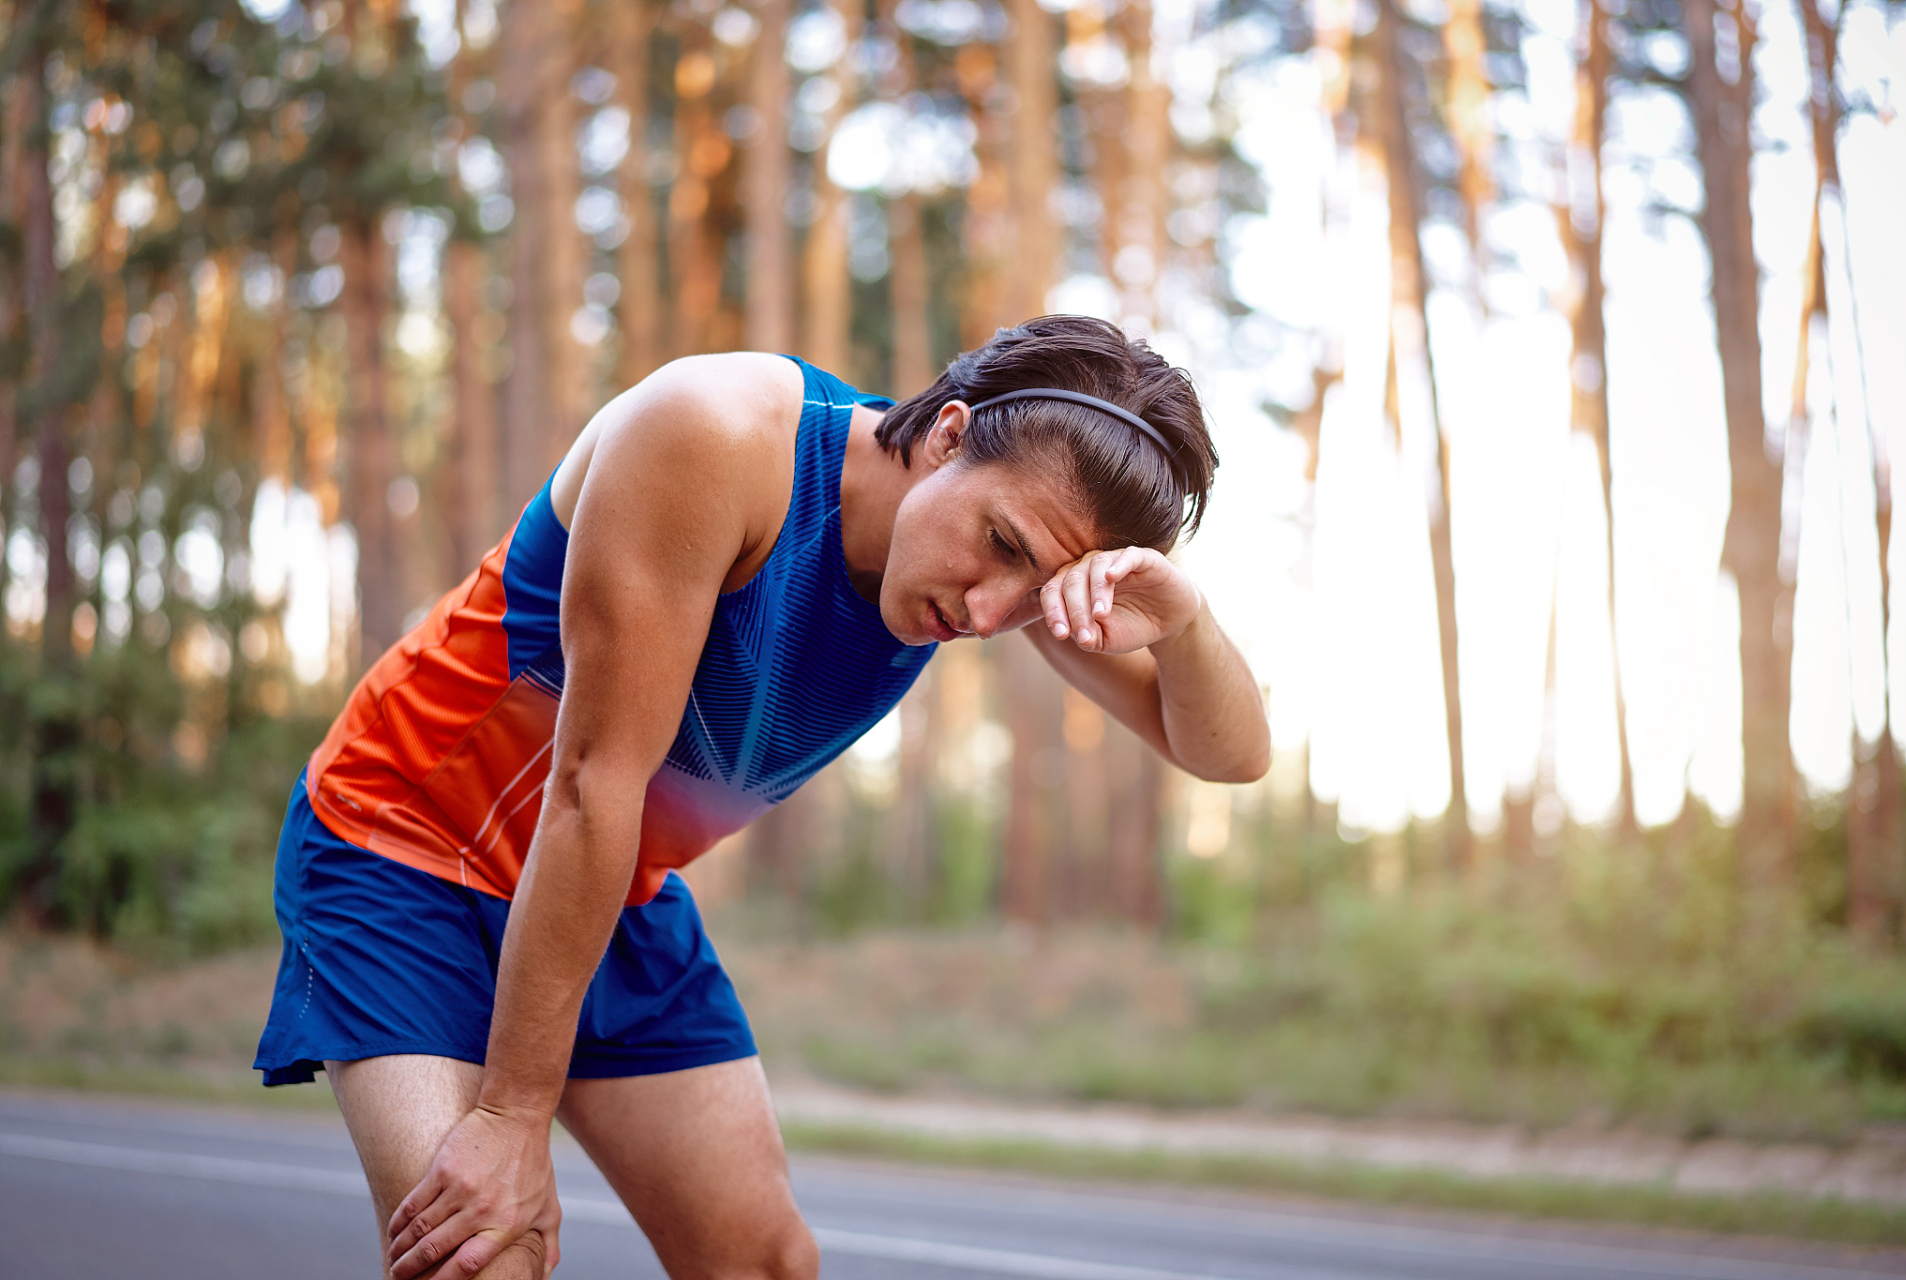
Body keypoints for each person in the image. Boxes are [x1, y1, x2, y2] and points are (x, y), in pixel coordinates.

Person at [253, 315, 1270, 1279]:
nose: (991, 611)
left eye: (1038, 587)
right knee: (482, 1251)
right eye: (1002, 547)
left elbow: (1228, 754)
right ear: (949, 434)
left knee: (764, 1261)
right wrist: (512, 1116)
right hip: (408, 841)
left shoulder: (1005, 552)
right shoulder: (718, 436)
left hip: (604, 888)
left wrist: (1182, 623)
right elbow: (591, 785)